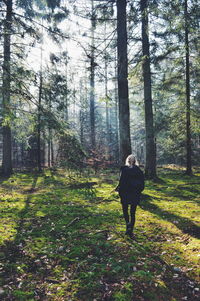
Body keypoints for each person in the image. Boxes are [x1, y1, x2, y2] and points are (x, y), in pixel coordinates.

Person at [116, 154, 144, 238]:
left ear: (134, 161)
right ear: (128, 160)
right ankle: (128, 227)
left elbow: (142, 183)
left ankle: (130, 229)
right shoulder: (124, 169)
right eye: (130, 159)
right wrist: (119, 189)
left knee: (132, 212)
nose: (131, 161)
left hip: (134, 193)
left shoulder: (138, 170)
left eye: (132, 159)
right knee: (127, 211)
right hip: (125, 193)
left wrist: (139, 190)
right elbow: (121, 181)